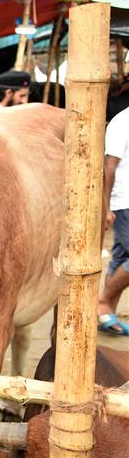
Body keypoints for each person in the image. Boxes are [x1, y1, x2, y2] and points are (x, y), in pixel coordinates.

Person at [98, 105, 129, 335]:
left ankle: (106, 315)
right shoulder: (123, 121)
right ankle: (103, 302)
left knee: (121, 256)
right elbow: (110, 164)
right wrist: (106, 206)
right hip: (123, 200)